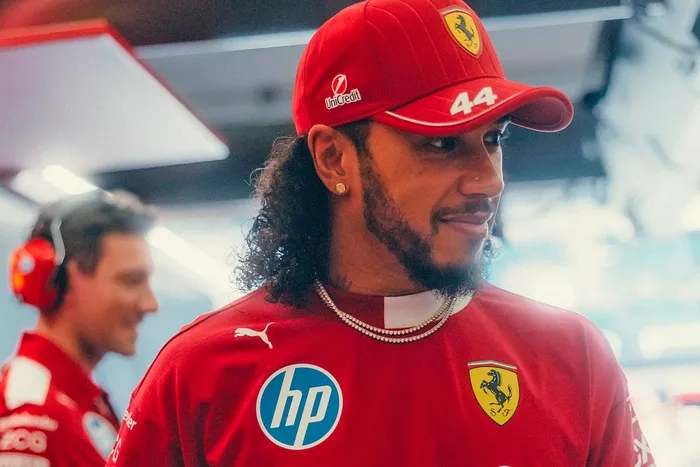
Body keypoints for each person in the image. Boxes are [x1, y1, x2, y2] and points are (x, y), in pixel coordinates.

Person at [105, 0, 655, 465]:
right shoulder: (200, 373)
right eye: (441, 143)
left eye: (493, 139)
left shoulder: (572, 357)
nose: (488, 180)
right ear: (334, 159)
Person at [0, 191, 159, 467]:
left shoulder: (74, 405)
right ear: (63, 279)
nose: (150, 304)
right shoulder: (34, 418)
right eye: (131, 281)